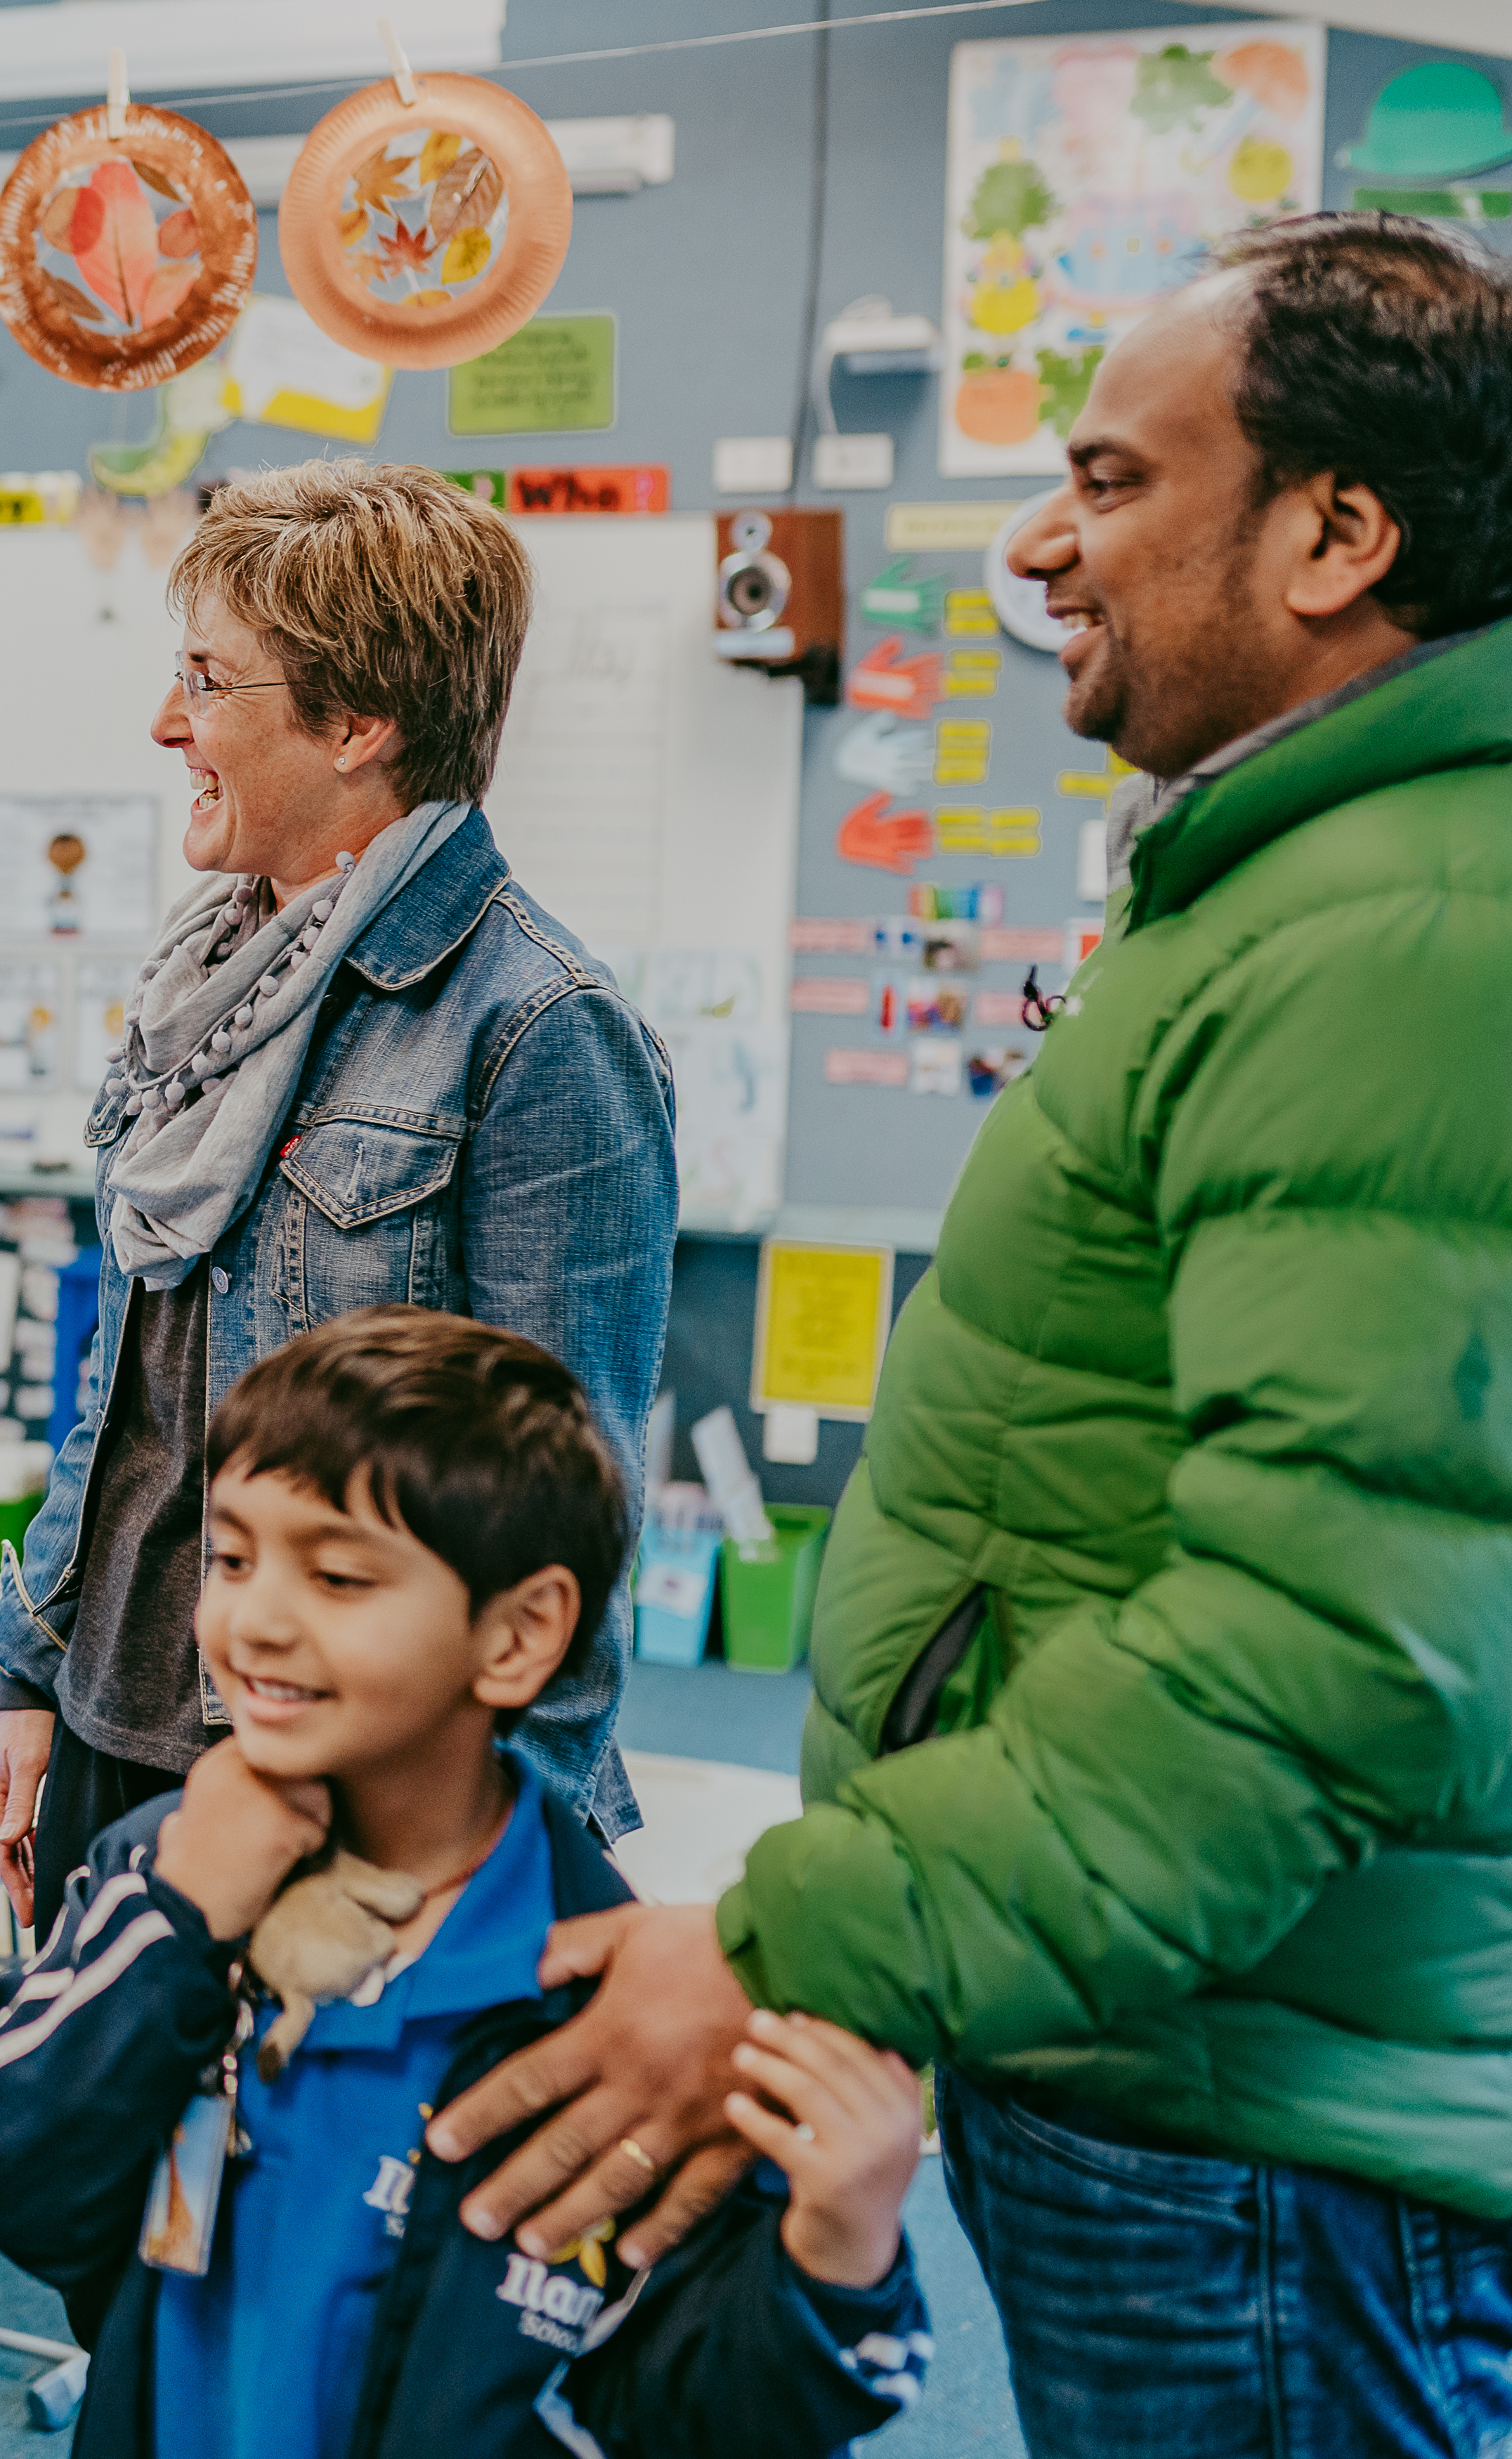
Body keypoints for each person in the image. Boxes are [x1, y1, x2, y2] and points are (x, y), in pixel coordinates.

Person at [415, 215, 1512, 2456]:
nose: (1038, 542)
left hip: (1256, 2113)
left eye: (1111, 480)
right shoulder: (1294, 887)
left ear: (1335, 531)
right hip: (1173, 2042)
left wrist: (801, 1927)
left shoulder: (1404, 929)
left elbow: (1326, 1645)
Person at [0, 1309, 930, 2458]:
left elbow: (702, 2415)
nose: (253, 1620)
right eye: (232, 1556)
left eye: (340, 1575)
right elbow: (13, 2172)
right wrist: (176, 1917)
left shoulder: (612, 2011)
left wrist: (840, 2249)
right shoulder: (170, 1865)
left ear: (518, 1634)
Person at [0, 462, 678, 1941]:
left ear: (357, 726)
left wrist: (467, 1878)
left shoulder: (539, 1026)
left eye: (209, 683)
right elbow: (127, 1387)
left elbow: (569, 1519)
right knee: (132, 2160)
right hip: (125, 1725)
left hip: (344, 1777)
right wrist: (34, 1675)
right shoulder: (206, 990)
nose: (167, 724)